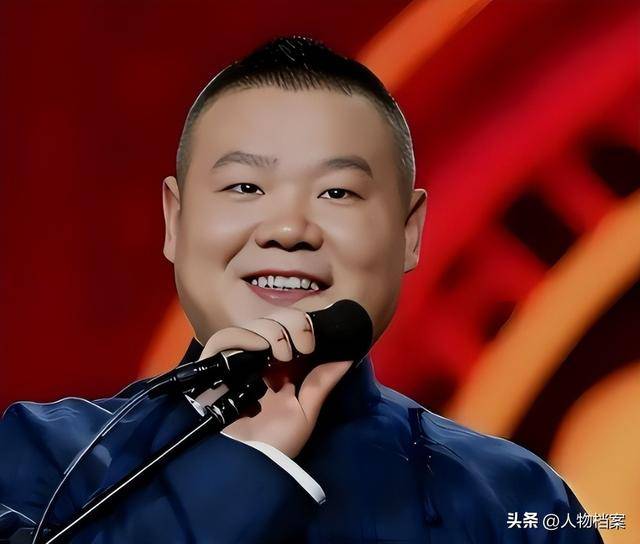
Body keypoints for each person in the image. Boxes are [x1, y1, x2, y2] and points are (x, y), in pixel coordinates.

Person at [0, 37, 603, 544]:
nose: (289, 229)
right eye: (244, 187)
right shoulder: (42, 460)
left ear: (410, 233)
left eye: (337, 192)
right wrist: (241, 466)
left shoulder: (517, 500)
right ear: (175, 221)